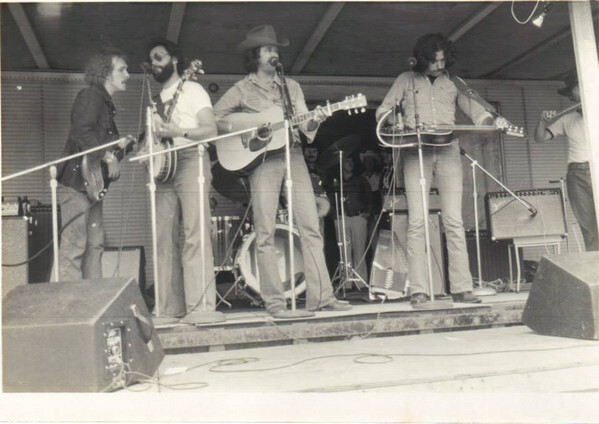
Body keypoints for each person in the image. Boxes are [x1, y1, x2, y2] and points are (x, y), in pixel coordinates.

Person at [214, 24, 351, 318]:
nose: (274, 53)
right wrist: (249, 126)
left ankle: (321, 297)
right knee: (265, 229)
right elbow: (215, 119)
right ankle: (275, 304)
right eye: (268, 49)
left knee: (310, 224)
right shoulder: (241, 89)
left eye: (275, 49)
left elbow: (305, 124)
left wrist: (316, 119)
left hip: (294, 154)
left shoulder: (292, 87)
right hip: (263, 160)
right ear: (255, 55)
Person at [376, 33, 507, 309]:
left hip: (448, 149)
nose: (439, 65)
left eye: (443, 60)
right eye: (434, 60)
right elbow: (383, 111)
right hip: (416, 150)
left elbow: (477, 113)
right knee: (417, 222)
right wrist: (393, 121)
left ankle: (462, 288)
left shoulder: (454, 82)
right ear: (423, 58)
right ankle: (419, 291)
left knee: (454, 221)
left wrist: (491, 121)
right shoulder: (405, 79)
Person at [146, 38, 224, 323]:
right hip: (163, 167)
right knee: (163, 237)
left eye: (159, 56)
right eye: (151, 59)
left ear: (175, 60)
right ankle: (168, 309)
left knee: (195, 233)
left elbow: (210, 129)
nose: (154, 63)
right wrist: (146, 151)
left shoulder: (192, 89)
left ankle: (201, 308)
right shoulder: (155, 101)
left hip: (191, 159)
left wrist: (179, 132)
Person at [57, 48, 132, 282]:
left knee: (95, 244)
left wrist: (126, 146)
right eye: (122, 70)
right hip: (76, 184)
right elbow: (81, 131)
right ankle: (72, 301)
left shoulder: (106, 103)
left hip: (91, 186)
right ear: (106, 73)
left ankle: (94, 297)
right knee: (74, 245)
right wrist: (108, 156)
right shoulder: (92, 95)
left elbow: (98, 143)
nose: (128, 75)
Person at [534, 72, 597, 251]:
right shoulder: (567, 119)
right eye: (571, 92)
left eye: (573, 90)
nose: (571, 96)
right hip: (576, 174)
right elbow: (540, 137)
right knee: (588, 227)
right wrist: (542, 121)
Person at [333, 153, 372, 286]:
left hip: (358, 217)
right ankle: (346, 284)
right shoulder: (335, 181)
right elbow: (329, 199)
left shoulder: (361, 180)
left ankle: (361, 283)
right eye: (346, 161)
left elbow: (370, 198)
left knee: (360, 251)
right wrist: (335, 215)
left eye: (351, 161)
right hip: (341, 218)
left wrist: (367, 213)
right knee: (344, 252)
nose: (349, 163)